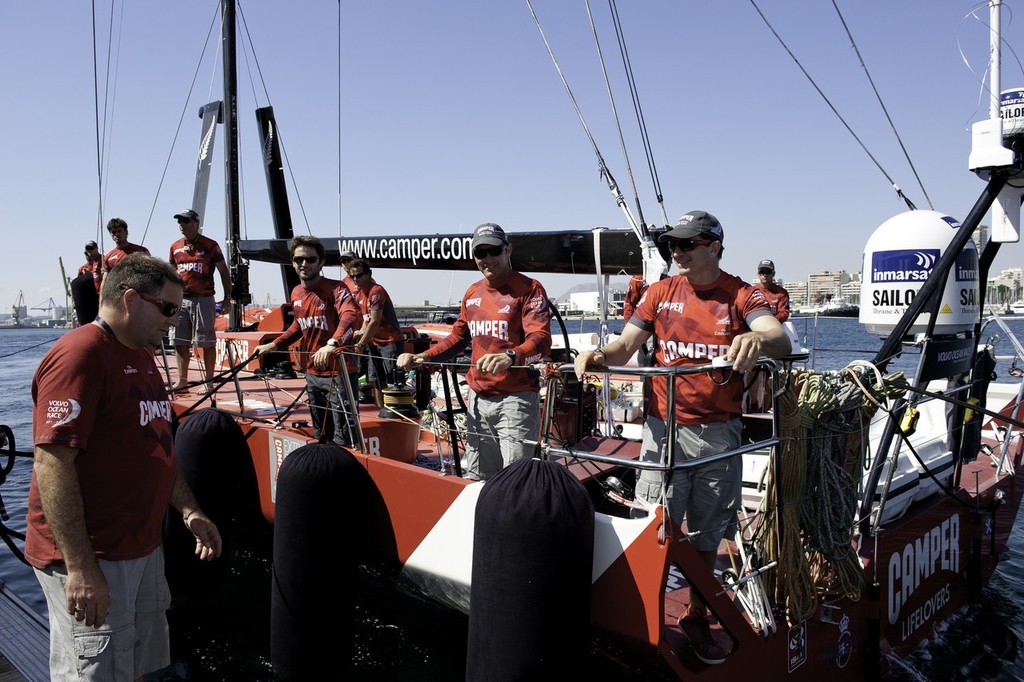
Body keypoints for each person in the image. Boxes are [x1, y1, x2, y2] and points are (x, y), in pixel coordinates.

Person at [573, 210, 789, 665]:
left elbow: (778, 339)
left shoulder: (742, 295)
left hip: (716, 434)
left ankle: (695, 615)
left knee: (709, 533)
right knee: (655, 524)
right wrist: (596, 355)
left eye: (687, 244)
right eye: (673, 244)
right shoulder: (659, 292)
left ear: (714, 246)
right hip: (660, 430)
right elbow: (625, 347)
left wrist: (758, 341)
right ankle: (640, 612)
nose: (677, 251)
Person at [26, 253, 222, 680]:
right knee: (96, 668)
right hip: (94, 556)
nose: (173, 321)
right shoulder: (81, 355)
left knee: (146, 664)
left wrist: (189, 510)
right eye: (169, 309)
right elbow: (52, 461)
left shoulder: (143, 355)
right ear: (132, 300)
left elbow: (158, 446)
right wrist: (79, 566)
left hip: (143, 549)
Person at [397, 223, 552, 481]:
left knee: (516, 479)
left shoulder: (529, 289)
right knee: (478, 477)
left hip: (515, 400)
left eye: (494, 251)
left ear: (508, 250)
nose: (488, 258)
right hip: (477, 400)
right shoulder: (472, 292)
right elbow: (458, 338)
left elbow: (542, 339)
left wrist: (511, 357)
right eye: (481, 253)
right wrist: (423, 358)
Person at [253, 236, 361, 445]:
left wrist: (332, 344)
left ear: (320, 262)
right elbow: (298, 326)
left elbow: (350, 315)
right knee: (321, 435)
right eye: (299, 259)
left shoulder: (336, 288)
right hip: (312, 373)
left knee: (345, 437)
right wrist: (273, 345)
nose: (305, 264)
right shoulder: (296, 292)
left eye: (311, 259)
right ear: (292, 262)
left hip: (339, 373)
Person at [167, 209, 233, 394]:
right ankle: (182, 381)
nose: (182, 225)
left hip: (203, 298)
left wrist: (227, 298)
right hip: (181, 299)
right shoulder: (175, 247)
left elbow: (223, 271)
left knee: (205, 342)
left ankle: (209, 382)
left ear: (196, 223)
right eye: (180, 221)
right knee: (179, 341)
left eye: (186, 221)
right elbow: (171, 274)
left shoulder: (210, 245)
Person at [349, 258, 406, 404]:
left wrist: (360, 344)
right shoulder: (360, 295)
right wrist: (360, 332)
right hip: (373, 342)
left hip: (389, 342)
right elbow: (366, 321)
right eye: (352, 276)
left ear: (368, 274)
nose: (356, 279)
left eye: (359, 275)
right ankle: (382, 410)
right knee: (376, 380)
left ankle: (397, 413)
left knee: (394, 381)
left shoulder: (376, 292)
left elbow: (375, 321)